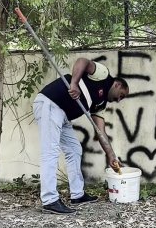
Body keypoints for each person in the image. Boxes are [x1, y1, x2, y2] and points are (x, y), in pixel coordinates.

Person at [33, 58, 129, 214]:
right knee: (50, 150)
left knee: (74, 149)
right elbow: (82, 61)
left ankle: (78, 195)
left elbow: (101, 132)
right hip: (50, 103)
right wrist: (74, 84)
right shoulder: (103, 74)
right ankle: (49, 199)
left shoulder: (100, 104)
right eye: (121, 95)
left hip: (63, 115)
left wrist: (111, 155)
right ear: (117, 85)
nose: (119, 100)